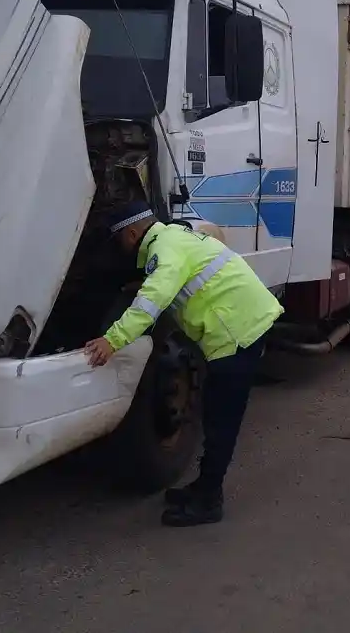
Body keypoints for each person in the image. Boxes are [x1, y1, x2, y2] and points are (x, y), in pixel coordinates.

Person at [84, 201, 284, 527]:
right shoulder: (174, 237)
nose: (120, 247)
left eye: (120, 238)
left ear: (133, 233)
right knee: (215, 413)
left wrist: (113, 340)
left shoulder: (165, 250)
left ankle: (209, 501)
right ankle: (203, 487)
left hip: (238, 334)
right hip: (244, 323)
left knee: (221, 422)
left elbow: (152, 300)